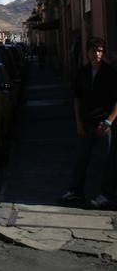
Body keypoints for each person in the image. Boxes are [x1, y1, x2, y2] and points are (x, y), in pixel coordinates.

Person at [59, 37, 117, 208]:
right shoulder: (82, 73)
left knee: (107, 160)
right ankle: (75, 192)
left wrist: (108, 122)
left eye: (100, 51)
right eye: (94, 51)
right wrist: (78, 122)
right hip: (87, 122)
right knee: (81, 159)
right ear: (87, 52)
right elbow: (77, 98)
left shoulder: (110, 73)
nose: (97, 54)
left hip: (105, 124)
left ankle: (105, 194)